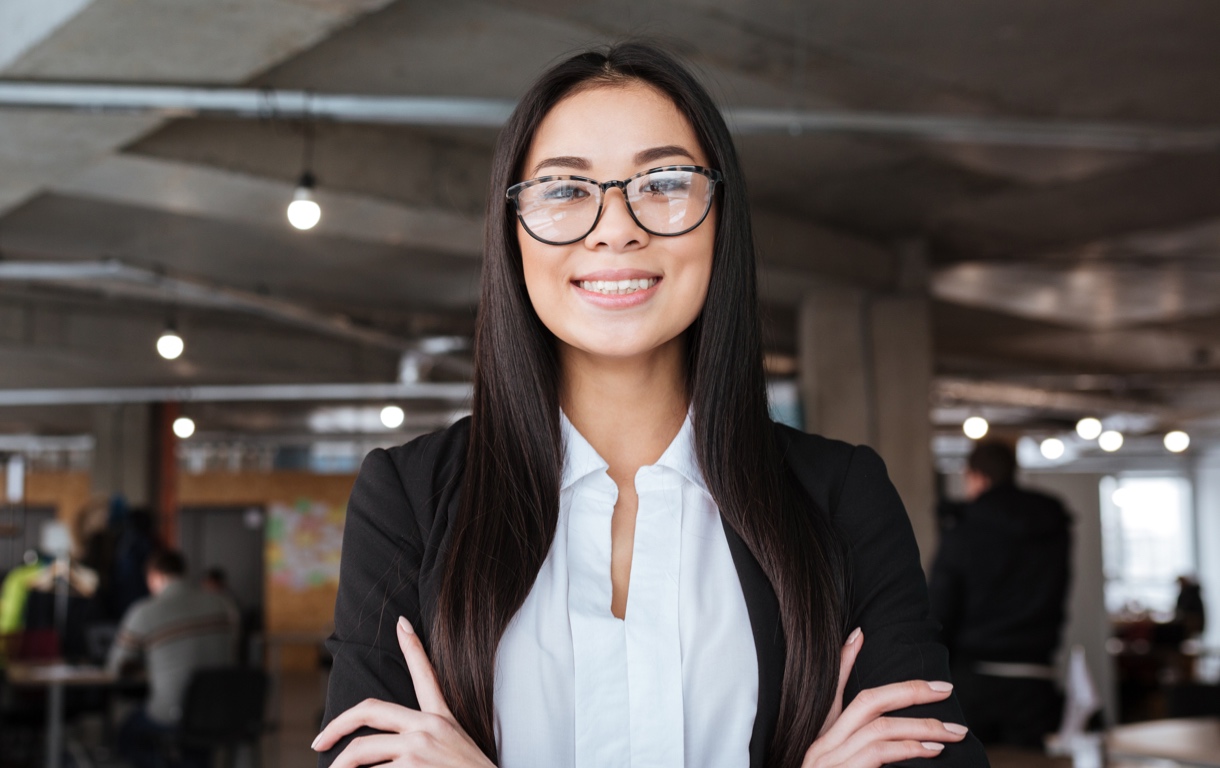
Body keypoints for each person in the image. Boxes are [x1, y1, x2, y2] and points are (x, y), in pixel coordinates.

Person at [313, 42, 988, 768]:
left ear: (720, 215)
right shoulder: (409, 499)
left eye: (664, 180)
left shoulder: (842, 497)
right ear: (512, 233)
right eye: (565, 190)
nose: (616, 226)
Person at [928, 439, 1072, 749]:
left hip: (975, 681)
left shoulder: (964, 529)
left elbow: (941, 608)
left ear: (976, 476)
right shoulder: (1050, 526)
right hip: (1037, 678)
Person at [107, 549, 239, 768]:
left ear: (155, 576)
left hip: (173, 712)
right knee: (197, 741)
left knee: (126, 736)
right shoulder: (222, 604)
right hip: (221, 710)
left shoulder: (144, 611)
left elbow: (115, 667)